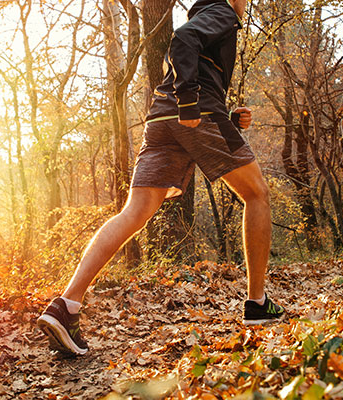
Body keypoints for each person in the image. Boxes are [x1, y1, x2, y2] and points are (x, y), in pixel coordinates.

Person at [37, 0, 284, 355]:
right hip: (196, 113)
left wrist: (226, 111)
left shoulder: (205, 15)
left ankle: (66, 305)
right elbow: (183, 39)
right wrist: (191, 102)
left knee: (134, 213)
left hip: (161, 118)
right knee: (257, 194)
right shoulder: (223, 11)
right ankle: (258, 304)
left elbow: (194, 61)